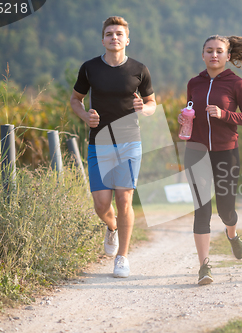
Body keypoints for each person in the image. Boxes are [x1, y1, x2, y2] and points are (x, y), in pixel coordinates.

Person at [70, 16, 156, 278]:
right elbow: (75, 100)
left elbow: (152, 104)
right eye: (109, 34)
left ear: (127, 39)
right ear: (103, 39)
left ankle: (122, 258)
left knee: (124, 199)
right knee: (101, 204)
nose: (114, 37)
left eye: (119, 34)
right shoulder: (89, 68)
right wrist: (85, 116)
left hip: (130, 141)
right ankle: (112, 228)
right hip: (99, 142)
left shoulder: (139, 69)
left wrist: (145, 108)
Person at [180, 35, 242, 285]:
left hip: (226, 152)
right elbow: (191, 110)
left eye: (219, 51)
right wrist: (184, 119)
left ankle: (232, 234)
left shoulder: (236, 83)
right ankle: (204, 267)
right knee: (201, 210)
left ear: (228, 56)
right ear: (203, 55)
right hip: (195, 151)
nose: (214, 55)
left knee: (226, 210)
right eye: (209, 51)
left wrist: (224, 114)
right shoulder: (194, 82)